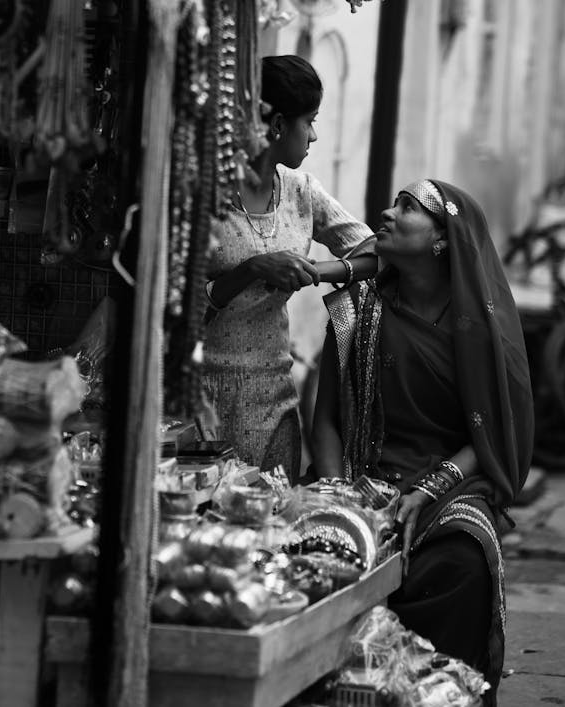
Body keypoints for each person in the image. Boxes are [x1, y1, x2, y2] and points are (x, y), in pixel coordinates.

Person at [311, 179, 534, 704]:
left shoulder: (479, 329)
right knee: (318, 557)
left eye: (407, 208)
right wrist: (336, 501)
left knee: (460, 561)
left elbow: (492, 431)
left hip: (451, 481)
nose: (386, 215)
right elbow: (326, 422)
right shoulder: (355, 310)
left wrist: (431, 488)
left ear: (442, 237)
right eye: (393, 203)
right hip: (358, 476)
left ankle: (444, 693)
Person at [202, 54, 377, 484]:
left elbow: (374, 251)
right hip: (202, 397)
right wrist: (253, 269)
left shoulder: (302, 193)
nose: (314, 135)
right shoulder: (207, 192)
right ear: (277, 124)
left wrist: (315, 270)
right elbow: (178, 301)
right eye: (309, 121)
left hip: (275, 400)